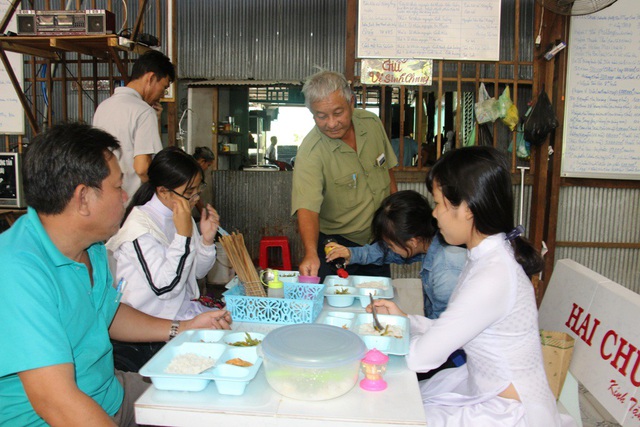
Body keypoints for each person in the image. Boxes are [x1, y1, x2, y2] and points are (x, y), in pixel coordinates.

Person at [0, 123, 232, 426]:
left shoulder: (92, 246)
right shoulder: (17, 271)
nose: (125, 197)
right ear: (83, 198)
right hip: (53, 417)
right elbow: (56, 403)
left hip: (109, 392)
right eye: (117, 187)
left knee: (215, 406)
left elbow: (106, 313)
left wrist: (184, 327)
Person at [369, 146, 572, 426]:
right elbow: (461, 330)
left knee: (394, 411)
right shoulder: (484, 256)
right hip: (484, 388)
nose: (435, 214)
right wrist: (406, 321)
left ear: (467, 208)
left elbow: (421, 358)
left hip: (506, 410)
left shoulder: (493, 274)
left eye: (439, 203)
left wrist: (382, 337)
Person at [291, 70, 398, 280]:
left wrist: (395, 222)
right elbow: (307, 208)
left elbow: (388, 173)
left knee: (377, 301)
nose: (331, 123)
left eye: (338, 113)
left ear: (352, 102)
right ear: (312, 114)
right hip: (336, 245)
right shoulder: (311, 152)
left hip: (377, 241)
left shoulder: (372, 124)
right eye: (321, 116)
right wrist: (311, 253)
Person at [108, 147, 221, 321]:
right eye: (189, 192)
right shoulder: (139, 229)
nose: (196, 198)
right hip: (151, 326)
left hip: (182, 313)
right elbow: (166, 288)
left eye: (199, 189)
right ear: (163, 191)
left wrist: (207, 239)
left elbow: (197, 272)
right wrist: (183, 236)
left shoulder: (180, 213)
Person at [325, 190, 466, 319]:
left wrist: (405, 320)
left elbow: (445, 328)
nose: (390, 249)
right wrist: (351, 253)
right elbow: (383, 252)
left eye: (392, 245)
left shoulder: (447, 269)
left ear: (412, 241)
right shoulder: (427, 242)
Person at [93, 50, 175, 201]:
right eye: (163, 87)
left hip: (104, 198)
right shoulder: (144, 111)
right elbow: (142, 168)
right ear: (151, 78)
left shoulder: (103, 106)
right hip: (131, 201)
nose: (162, 95)